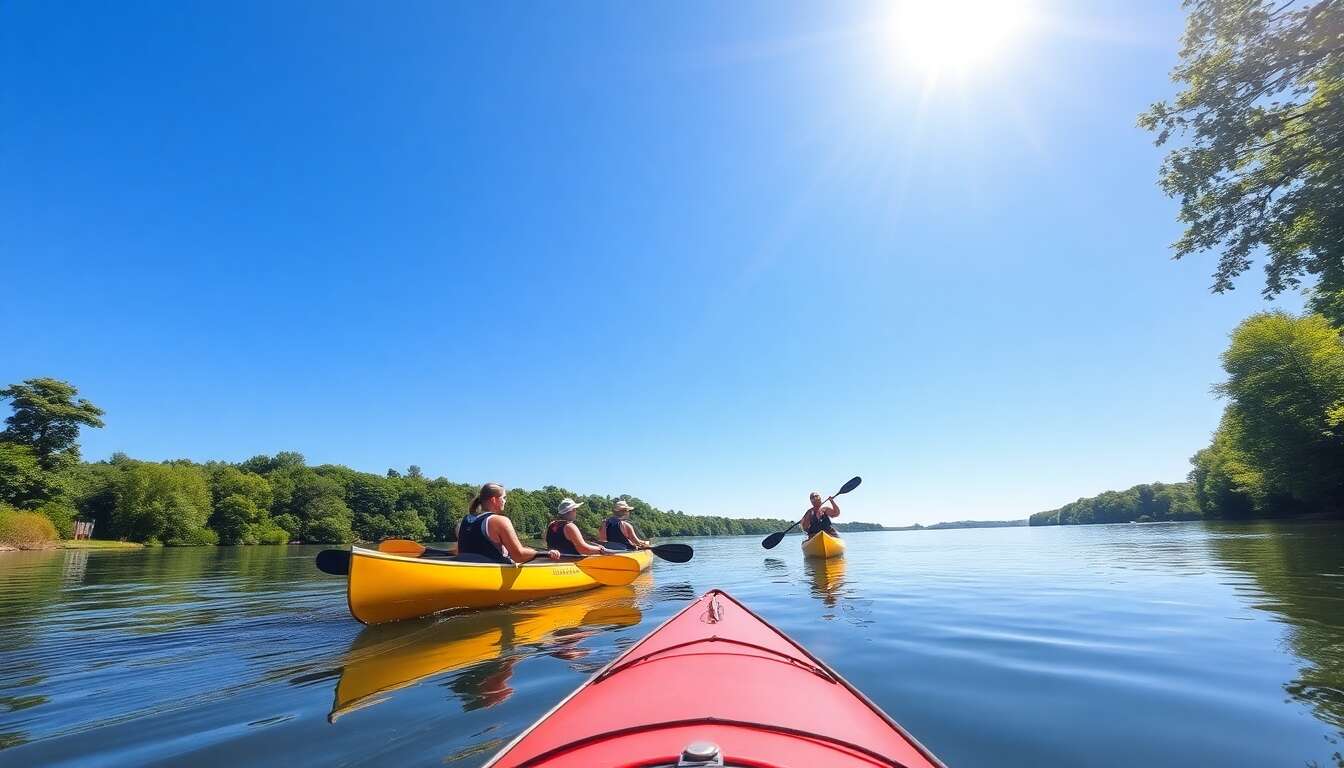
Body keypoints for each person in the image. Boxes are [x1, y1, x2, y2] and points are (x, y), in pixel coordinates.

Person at [454, 482, 560, 564]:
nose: (505, 501)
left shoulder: (465, 520)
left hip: (466, 570)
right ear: (494, 500)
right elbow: (519, 556)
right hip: (490, 575)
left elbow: (458, 551)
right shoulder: (500, 521)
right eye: (504, 498)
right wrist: (543, 553)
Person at [546, 498, 610, 556]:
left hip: (554, 561)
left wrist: (595, 547)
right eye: (575, 510)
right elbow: (583, 549)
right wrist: (600, 549)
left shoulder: (551, 524)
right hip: (569, 562)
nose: (576, 512)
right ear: (572, 510)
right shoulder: (570, 526)